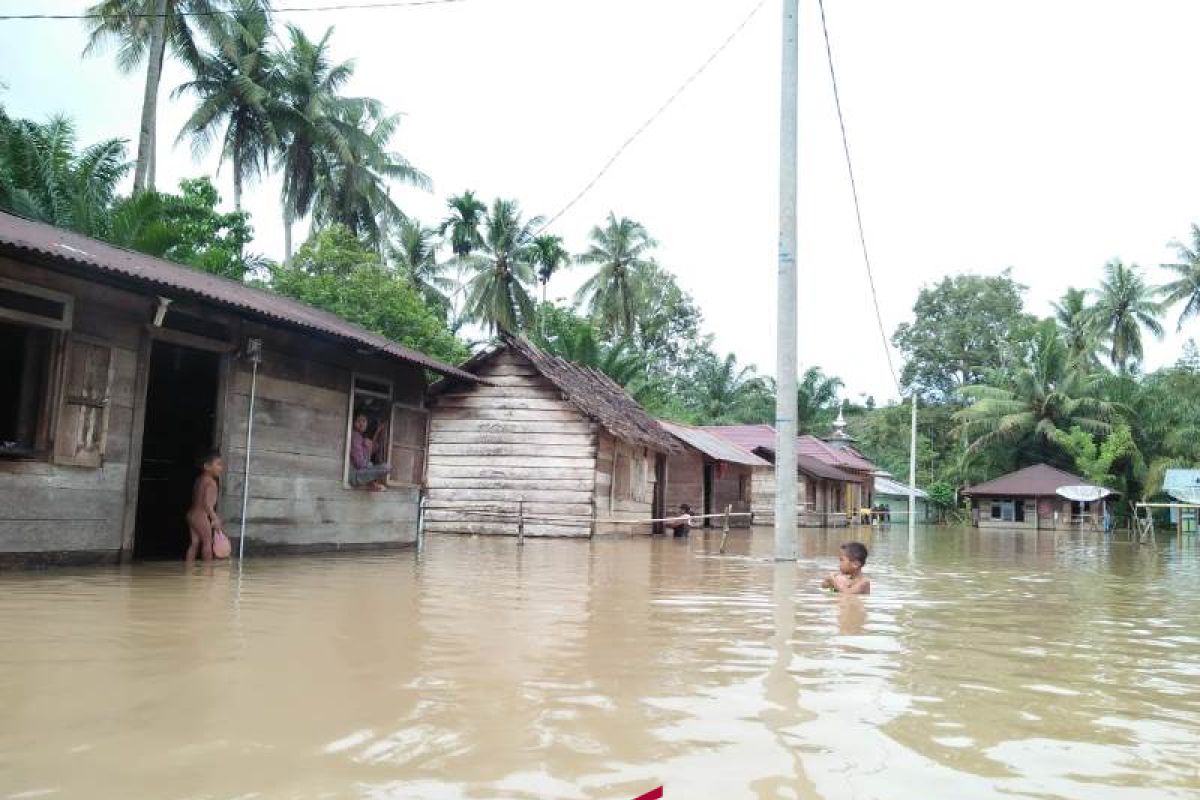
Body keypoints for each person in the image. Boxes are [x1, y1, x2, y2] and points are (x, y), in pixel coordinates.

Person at [186, 450, 224, 563]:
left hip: (191, 515)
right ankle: (207, 572)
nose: (221, 468)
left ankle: (188, 569)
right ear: (207, 466)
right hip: (200, 516)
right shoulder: (211, 482)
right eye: (218, 464)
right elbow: (207, 504)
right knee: (208, 542)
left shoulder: (199, 480)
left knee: (194, 543)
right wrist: (215, 519)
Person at [349, 413, 391, 491]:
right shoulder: (355, 436)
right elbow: (360, 463)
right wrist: (369, 466)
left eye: (364, 421)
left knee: (371, 464)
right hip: (355, 476)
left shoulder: (361, 438)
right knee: (386, 467)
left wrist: (378, 431)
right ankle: (372, 484)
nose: (361, 424)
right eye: (359, 421)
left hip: (358, 473)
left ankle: (373, 484)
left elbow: (373, 447)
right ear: (353, 422)